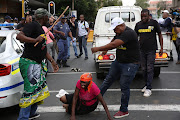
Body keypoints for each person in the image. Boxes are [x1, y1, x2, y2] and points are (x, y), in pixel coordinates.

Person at [91, 17, 140, 118]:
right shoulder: (119, 32)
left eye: (115, 28)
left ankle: (124, 110)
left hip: (130, 64)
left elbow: (114, 44)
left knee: (124, 85)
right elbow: (114, 39)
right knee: (108, 79)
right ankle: (96, 99)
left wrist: (98, 49)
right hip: (119, 62)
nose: (114, 30)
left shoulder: (129, 33)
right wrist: (105, 51)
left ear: (121, 25)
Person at [16, 8, 59, 120]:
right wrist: (34, 40)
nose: (49, 19)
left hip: (36, 63)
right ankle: (23, 117)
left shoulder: (40, 28)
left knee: (37, 89)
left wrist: (52, 61)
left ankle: (31, 113)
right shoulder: (33, 25)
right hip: (29, 62)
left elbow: (43, 49)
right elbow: (19, 36)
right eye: (47, 17)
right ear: (43, 17)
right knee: (30, 91)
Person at [135, 9, 163, 97]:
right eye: (142, 16)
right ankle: (146, 84)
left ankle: (149, 88)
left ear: (149, 16)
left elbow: (160, 35)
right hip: (141, 50)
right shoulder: (138, 25)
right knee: (143, 69)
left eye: (145, 16)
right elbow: (135, 37)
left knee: (150, 68)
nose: (143, 18)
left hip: (151, 49)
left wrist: (161, 48)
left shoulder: (154, 23)